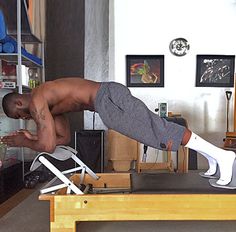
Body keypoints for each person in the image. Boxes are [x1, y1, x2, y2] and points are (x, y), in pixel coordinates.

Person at [1, 78, 235, 187]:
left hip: (106, 99)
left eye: (19, 116)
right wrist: (34, 139)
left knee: (158, 132)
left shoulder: (38, 99)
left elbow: (48, 145)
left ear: (19, 104)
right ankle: (214, 157)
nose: (24, 119)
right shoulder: (50, 105)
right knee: (157, 131)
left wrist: (25, 141)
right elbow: (60, 139)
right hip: (108, 99)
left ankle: (223, 156)